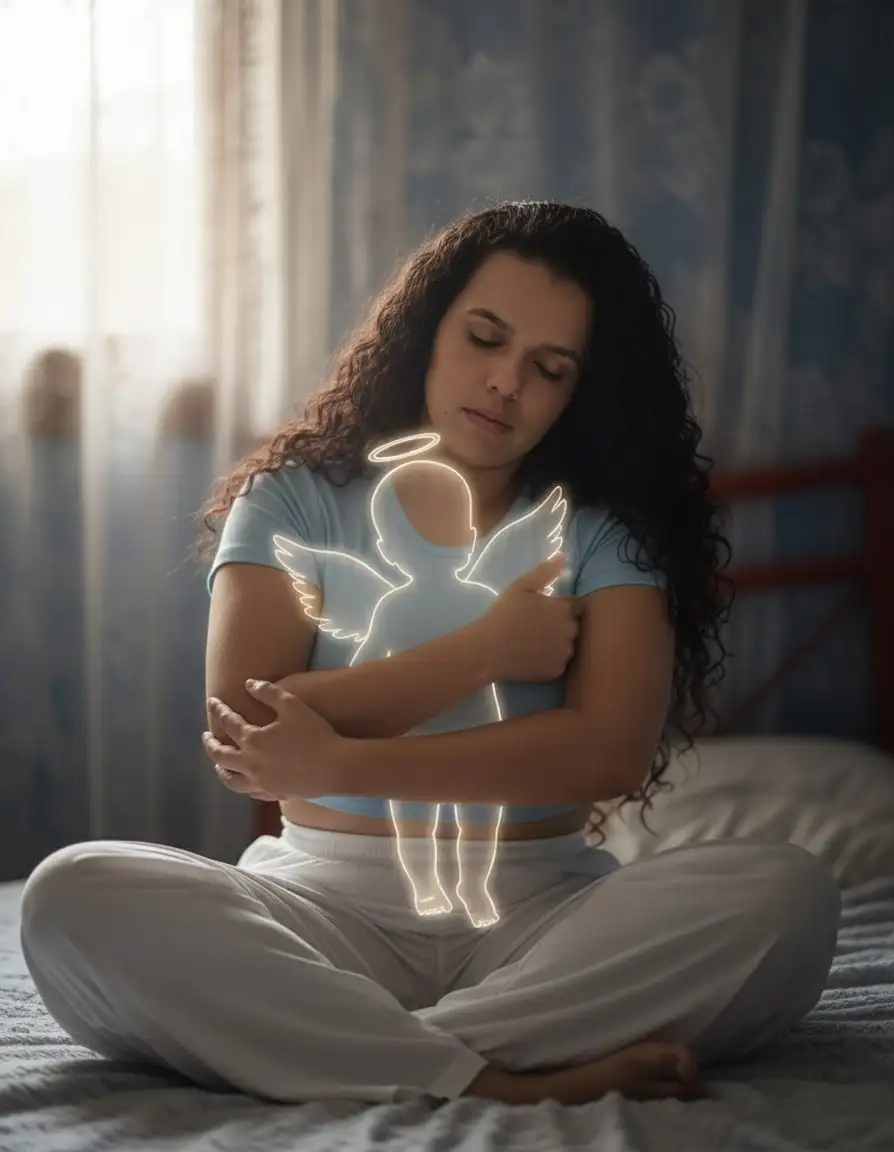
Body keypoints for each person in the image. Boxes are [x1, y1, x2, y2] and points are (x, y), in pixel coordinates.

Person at [20, 201, 840, 1108]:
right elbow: (247, 721)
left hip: (545, 921)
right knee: (72, 894)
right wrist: (484, 651)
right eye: (484, 338)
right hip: (318, 907)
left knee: (790, 895)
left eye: (549, 369)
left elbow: (608, 751)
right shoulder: (291, 499)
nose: (505, 383)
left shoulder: (604, 532)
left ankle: (359, 1048)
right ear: (427, 330)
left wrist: (341, 759)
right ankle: (508, 1076)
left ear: (582, 392)